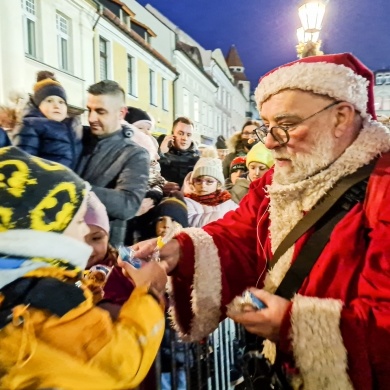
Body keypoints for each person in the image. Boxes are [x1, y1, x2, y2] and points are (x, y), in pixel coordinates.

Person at [129, 53, 390, 389]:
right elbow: (240, 232)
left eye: (286, 125)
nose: (268, 142)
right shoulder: (277, 179)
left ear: (341, 116)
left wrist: (295, 325)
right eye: (268, 126)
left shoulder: (382, 187)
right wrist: (180, 249)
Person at [0, 146, 167, 390]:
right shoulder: (46, 301)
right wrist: (150, 292)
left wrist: (89, 286)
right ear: (45, 230)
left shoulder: (18, 286)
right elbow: (117, 364)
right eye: (78, 221)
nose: (86, 230)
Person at [76, 80, 150, 247]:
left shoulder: (135, 154)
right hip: (62, 240)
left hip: (99, 249)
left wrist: (74, 189)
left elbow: (127, 204)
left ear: (121, 113)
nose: (91, 118)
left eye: (101, 112)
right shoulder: (76, 137)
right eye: (90, 110)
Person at [15, 71, 82, 170]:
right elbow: (24, 161)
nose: (56, 105)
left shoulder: (72, 128)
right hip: (45, 182)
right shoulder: (31, 125)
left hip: (69, 182)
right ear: (38, 106)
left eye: (61, 102)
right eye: (49, 101)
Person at [184, 153, 238, 227]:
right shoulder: (187, 202)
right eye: (198, 181)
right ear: (193, 182)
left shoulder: (229, 204)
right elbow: (191, 222)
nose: (203, 185)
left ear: (218, 184)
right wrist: (222, 216)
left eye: (209, 181)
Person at [158, 117, 200, 187]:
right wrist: (161, 153)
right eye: (180, 133)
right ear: (172, 134)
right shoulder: (159, 154)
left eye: (188, 135)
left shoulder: (197, 159)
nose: (185, 138)